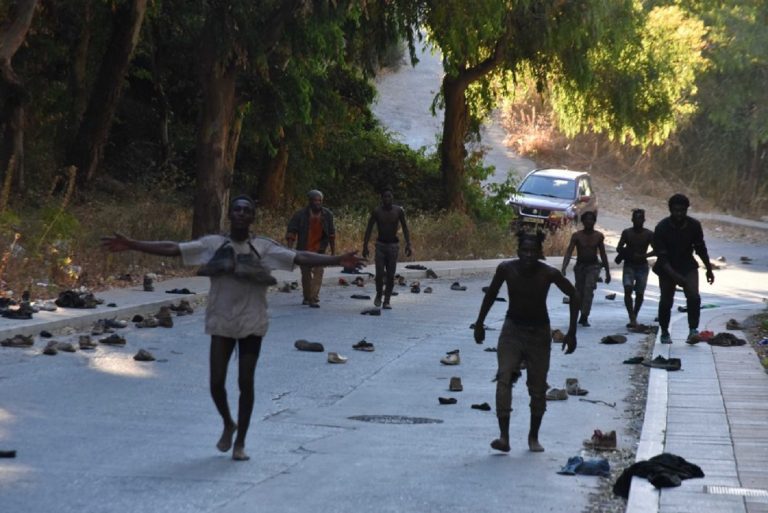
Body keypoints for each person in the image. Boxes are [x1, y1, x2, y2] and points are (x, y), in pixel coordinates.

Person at [101, 195, 364, 461]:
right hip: (222, 321)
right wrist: (133, 244)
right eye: (236, 209)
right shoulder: (213, 244)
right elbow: (175, 248)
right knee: (216, 382)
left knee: (245, 382)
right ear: (231, 215)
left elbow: (300, 257)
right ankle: (228, 422)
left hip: (252, 321)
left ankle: (240, 442)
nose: (240, 213)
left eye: (246, 210)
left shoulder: (264, 247)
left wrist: (337, 259)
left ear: (252, 217)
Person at [474, 231, 579, 453]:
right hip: (512, 330)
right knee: (504, 376)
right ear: (518, 251)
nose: (528, 255)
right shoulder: (506, 269)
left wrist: (572, 331)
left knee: (537, 387)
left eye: (533, 251)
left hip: (539, 333)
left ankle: (533, 436)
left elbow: (574, 294)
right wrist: (480, 323)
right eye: (524, 250)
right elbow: (491, 294)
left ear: (540, 253)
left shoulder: (548, 273)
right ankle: (504, 436)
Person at [653, 193, 714, 344]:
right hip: (667, 267)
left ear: (687, 209)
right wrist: (674, 276)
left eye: (682, 210)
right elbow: (662, 257)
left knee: (694, 297)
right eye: (676, 210)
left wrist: (708, 268)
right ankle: (665, 331)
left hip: (688, 265)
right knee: (666, 301)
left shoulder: (694, 225)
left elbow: (700, 248)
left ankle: (693, 330)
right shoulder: (662, 227)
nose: (679, 214)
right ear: (670, 209)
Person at [362, 188, 412, 309]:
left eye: (389, 197)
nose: (387, 199)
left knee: (390, 275)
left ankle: (387, 300)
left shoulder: (398, 211)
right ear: (382, 199)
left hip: (393, 246)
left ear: (392, 198)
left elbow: (405, 227)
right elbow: (369, 228)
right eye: (385, 197)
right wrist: (365, 246)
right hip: (380, 245)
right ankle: (379, 294)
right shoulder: (377, 211)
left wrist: (408, 244)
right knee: (379, 274)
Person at [285, 190, 336, 308]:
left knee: (319, 273)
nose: (318, 203)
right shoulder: (300, 215)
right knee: (306, 275)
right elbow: (291, 232)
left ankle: (313, 298)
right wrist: (289, 250)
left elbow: (332, 234)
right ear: (310, 202)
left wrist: (333, 252)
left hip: (320, 250)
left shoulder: (327, 215)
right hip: (304, 249)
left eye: (320, 201)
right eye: (315, 201)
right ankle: (307, 297)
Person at [561, 210, 611, 327]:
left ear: (594, 221)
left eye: (591, 219)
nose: (589, 222)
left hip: (593, 267)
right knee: (579, 292)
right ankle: (580, 313)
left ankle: (584, 316)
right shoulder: (577, 236)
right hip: (580, 267)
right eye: (586, 219)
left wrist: (607, 272)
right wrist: (564, 267)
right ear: (583, 221)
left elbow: (603, 254)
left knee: (589, 290)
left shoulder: (598, 236)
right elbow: (569, 252)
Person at [615, 209, 655, 327]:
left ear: (644, 220)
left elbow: (657, 249)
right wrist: (627, 252)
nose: (638, 221)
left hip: (642, 266)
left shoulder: (648, 234)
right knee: (628, 288)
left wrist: (644, 255)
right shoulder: (627, 233)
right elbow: (619, 247)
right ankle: (632, 316)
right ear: (632, 220)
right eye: (636, 218)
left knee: (639, 293)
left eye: (640, 218)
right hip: (629, 265)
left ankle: (634, 314)